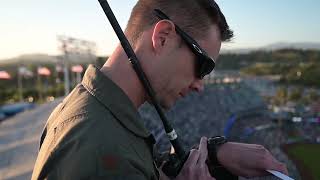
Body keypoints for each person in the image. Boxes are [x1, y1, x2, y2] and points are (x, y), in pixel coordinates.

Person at [32, 0, 288, 179]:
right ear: (163, 37)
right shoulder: (101, 152)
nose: (200, 85)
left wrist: (213, 155)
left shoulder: (99, 114)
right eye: (203, 67)